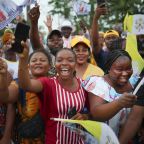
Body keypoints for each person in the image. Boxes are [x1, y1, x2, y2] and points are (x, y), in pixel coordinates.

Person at [0, 45, 53, 144]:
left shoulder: (56, 84)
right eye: (34, 60)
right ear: (28, 65)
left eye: (42, 60)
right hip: (25, 140)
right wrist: (2, 76)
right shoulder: (18, 83)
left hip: (50, 139)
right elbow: (5, 97)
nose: (38, 62)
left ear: (50, 65)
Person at [82, 49, 138, 136]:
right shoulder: (98, 84)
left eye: (128, 69)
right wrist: (120, 103)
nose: (125, 73)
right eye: (119, 69)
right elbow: (96, 114)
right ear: (109, 68)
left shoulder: (134, 83)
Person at [91, 6, 122, 71]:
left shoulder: (124, 54)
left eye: (114, 37)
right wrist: (96, 18)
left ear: (119, 39)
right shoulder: (101, 55)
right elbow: (95, 43)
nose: (111, 40)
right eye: (108, 38)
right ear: (104, 41)